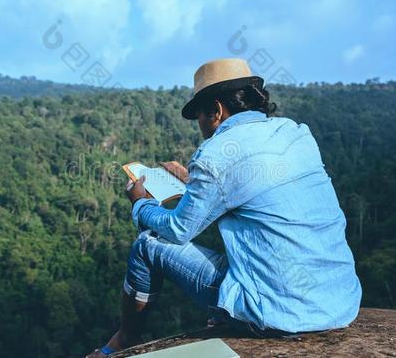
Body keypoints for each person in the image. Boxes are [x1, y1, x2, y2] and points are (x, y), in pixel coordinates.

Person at [86, 58, 362, 357]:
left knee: (148, 244)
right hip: (340, 301)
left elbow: (179, 230)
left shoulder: (215, 153)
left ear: (216, 111)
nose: (201, 126)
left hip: (277, 312)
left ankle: (123, 342)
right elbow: (256, 189)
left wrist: (141, 203)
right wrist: (192, 180)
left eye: (201, 117)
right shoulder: (296, 133)